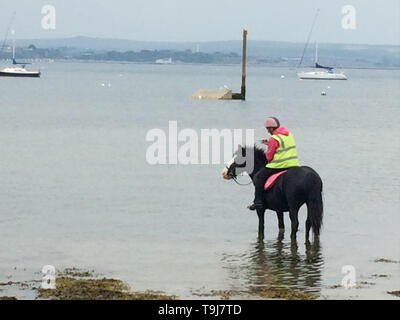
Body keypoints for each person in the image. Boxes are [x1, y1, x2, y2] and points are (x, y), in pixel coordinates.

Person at [248, 117, 300, 211]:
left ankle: (258, 201)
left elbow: (269, 157)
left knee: (258, 177)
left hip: (279, 165)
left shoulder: (274, 138)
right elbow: (283, 146)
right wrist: (269, 144)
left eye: (268, 129)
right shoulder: (289, 134)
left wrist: (270, 145)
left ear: (272, 128)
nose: (268, 131)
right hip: (293, 164)